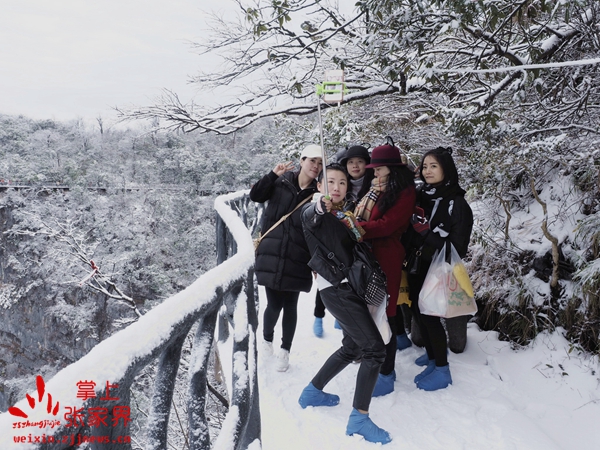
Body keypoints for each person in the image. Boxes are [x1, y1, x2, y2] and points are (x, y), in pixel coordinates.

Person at [298, 163, 392, 445]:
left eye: (341, 183)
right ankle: (359, 418)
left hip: (348, 288)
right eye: (330, 183)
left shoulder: (343, 215)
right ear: (319, 187)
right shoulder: (316, 211)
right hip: (338, 290)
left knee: (352, 346)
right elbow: (311, 215)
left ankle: (313, 392)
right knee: (374, 350)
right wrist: (320, 206)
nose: (336, 187)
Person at [405, 146, 473, 391]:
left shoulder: (457, 203)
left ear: (446, 168)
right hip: (416, 264)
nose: (428, 170)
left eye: (434, 166)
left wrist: (427, 235)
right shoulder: (423, 194)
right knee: (417, 311)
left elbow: (458, 247)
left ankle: (443, 370)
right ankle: (433, 357)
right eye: (425, 166)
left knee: (430, 316)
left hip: (438, 269)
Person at [250, 144, 322, 372]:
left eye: (320, 163)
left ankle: (285, 351)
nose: (316, 166)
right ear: (302, 161)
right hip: (272, 250)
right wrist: (272, 175)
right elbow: (256, 195)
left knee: (291, 304)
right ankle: (267, 338)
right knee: (274, 304)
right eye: (312, 160)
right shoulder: (281, 182)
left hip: (298, 254)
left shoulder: (318, 193)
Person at [355, 144, 416, 396]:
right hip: (367, 255)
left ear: (391, 169)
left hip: (388, 256)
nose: (375, 173)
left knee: (386, 312)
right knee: (367, 310)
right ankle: (372, 360)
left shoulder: (404, 192)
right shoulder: (375, 189)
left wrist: (357, 228)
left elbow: (389, 225)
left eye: (378, 169)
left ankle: (387, 372)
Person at [312, 145, 375, 337]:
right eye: (350, 162)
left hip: (350, 261)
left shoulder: (370, 187)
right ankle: (320, 316)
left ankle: (349, 335)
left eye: (360, 161)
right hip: (330, 266)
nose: (355, 166)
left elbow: (356, 234)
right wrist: (323, 205)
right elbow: (314, 213)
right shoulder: (321, 203)